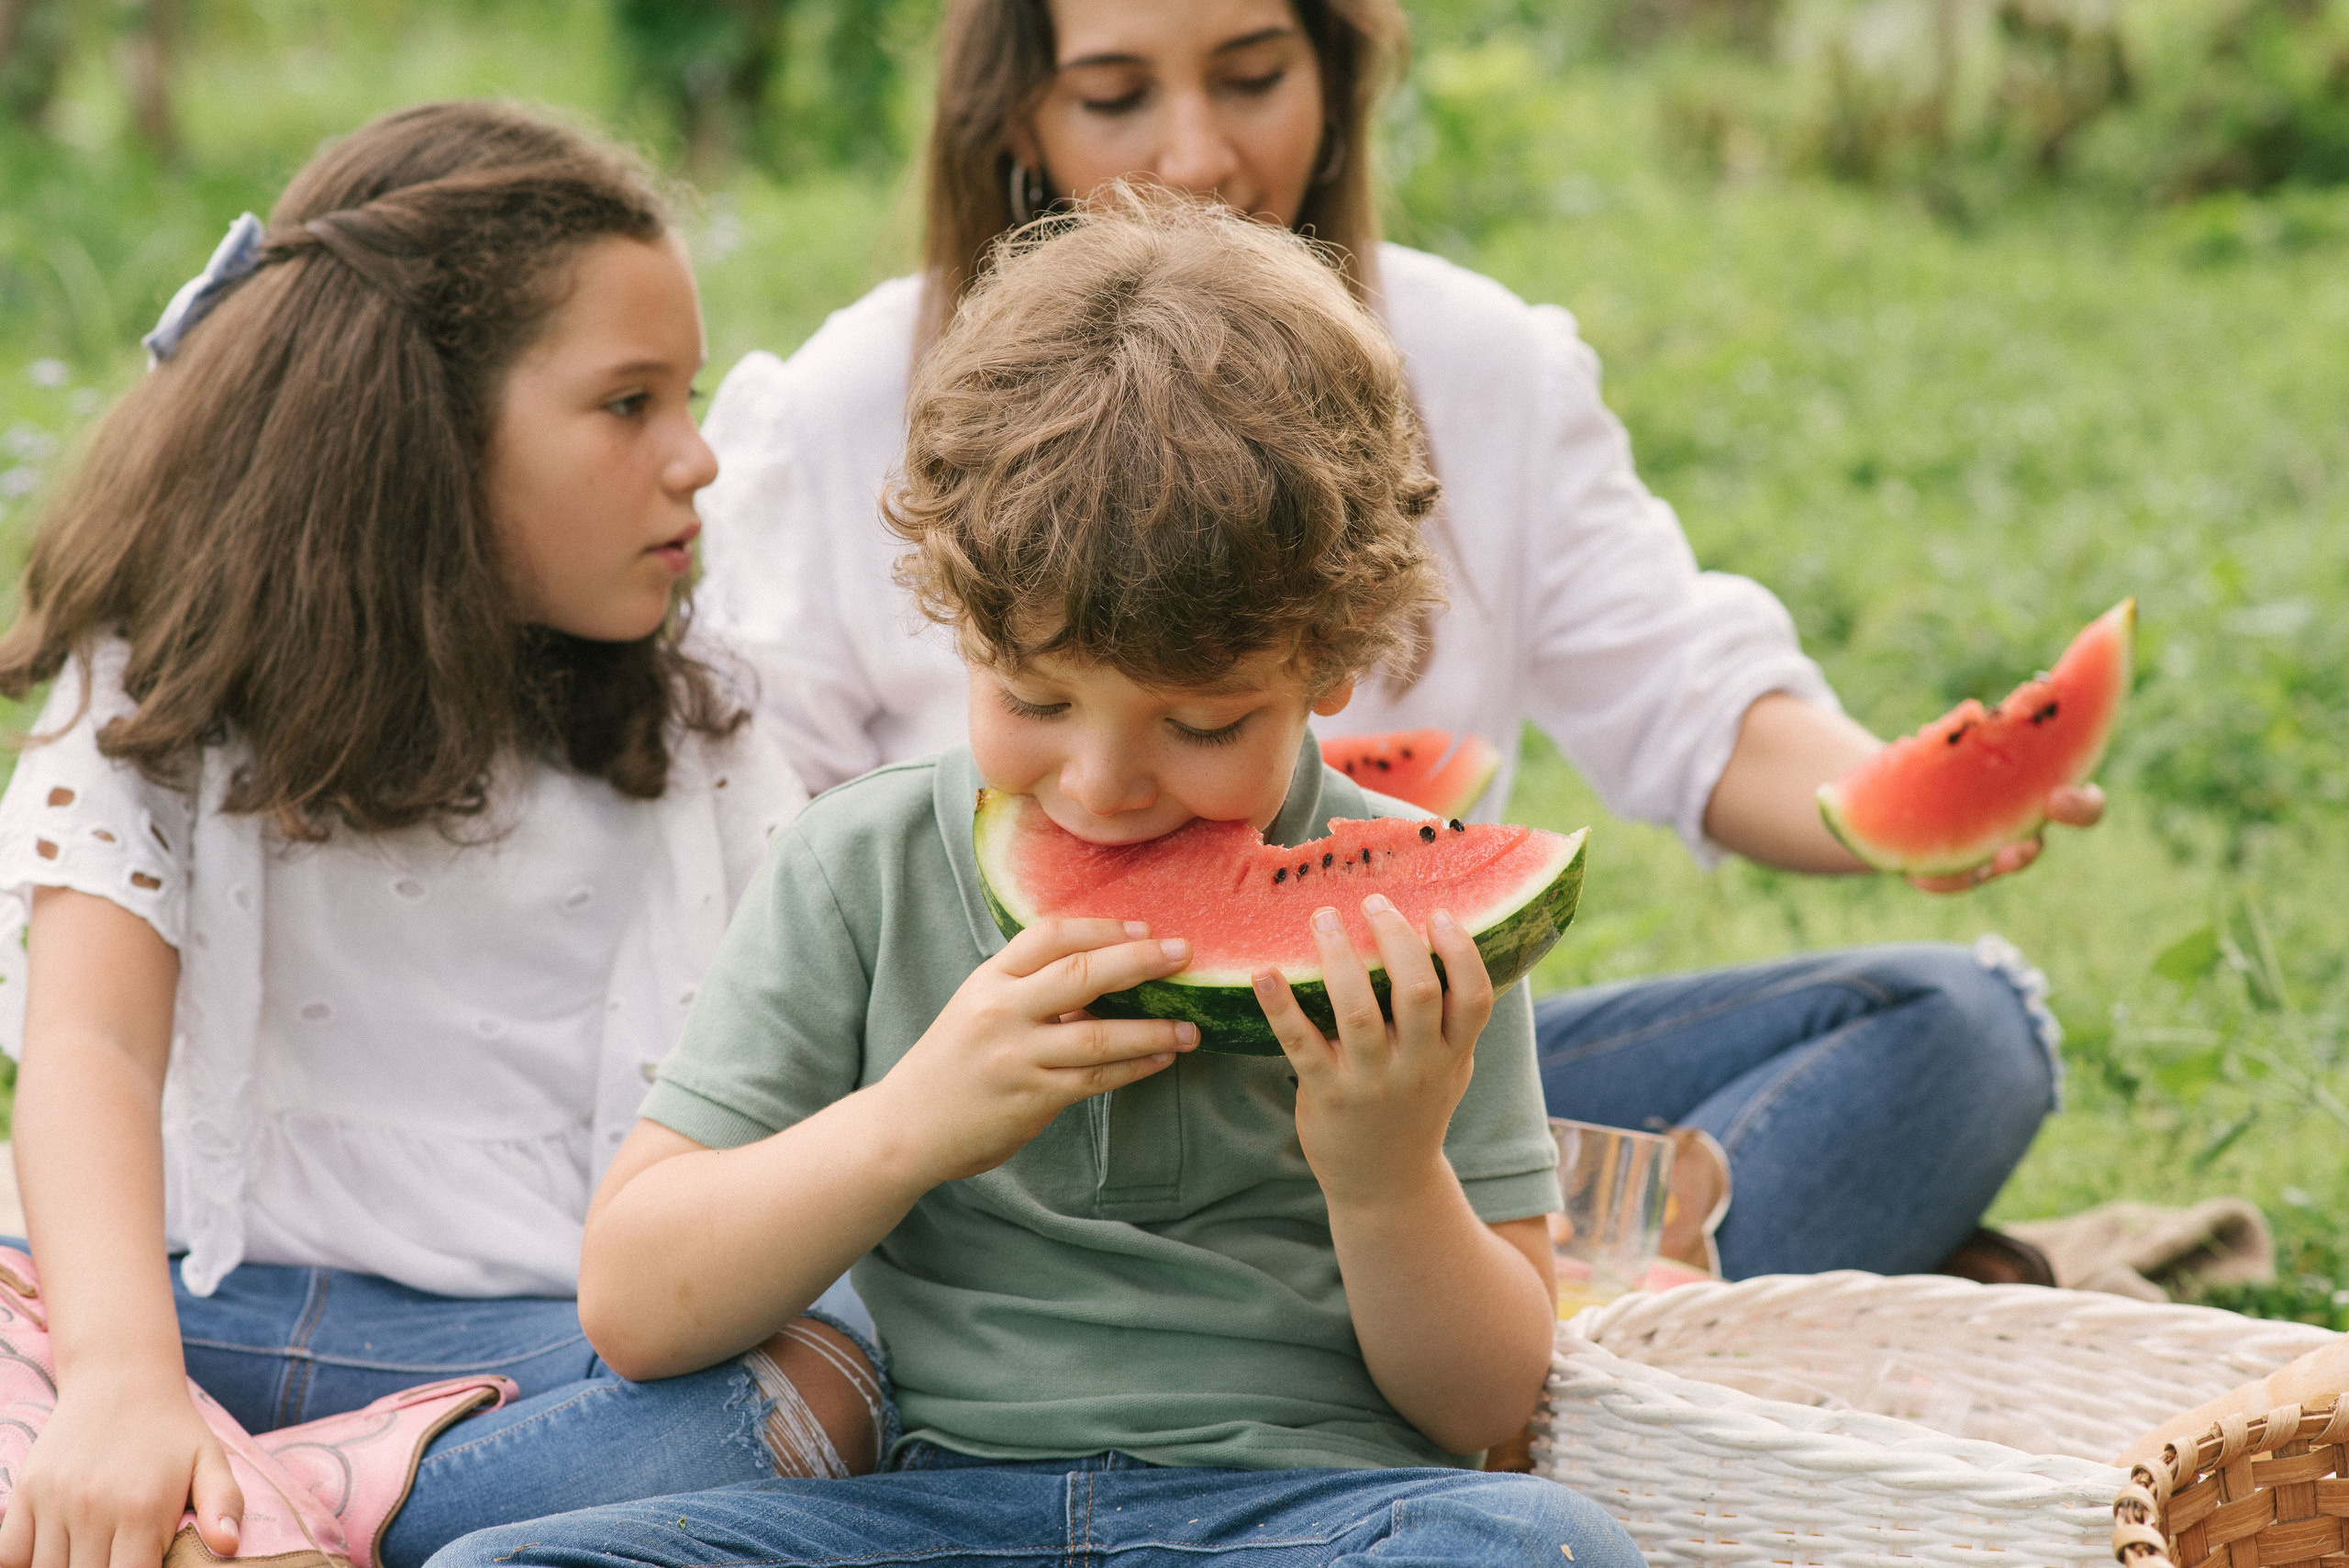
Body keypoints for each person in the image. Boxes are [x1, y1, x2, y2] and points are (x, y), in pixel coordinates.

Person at [689, 0, 2101, 1281]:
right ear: (1015, 121)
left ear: (1338, 74)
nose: (1193, 152)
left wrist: (1906, 799)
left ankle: (1592, 1293)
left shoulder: (1479, 364)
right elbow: (754, 864)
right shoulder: (845, 403)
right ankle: (1643, 1293)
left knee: (1965, 1028)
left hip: (1398, 1080)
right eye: (1116, 97)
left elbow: (1691, 689)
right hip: (1006, 1153)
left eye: (1252, 76)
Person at [430, 194, 1639, 1568]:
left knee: (1543, 1542)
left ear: (1329, 662)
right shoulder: (858, 868)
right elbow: (637, 1298)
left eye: (1200, 724)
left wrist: (1385, 1173)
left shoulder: (1405, 932)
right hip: (939, 1516)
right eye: (1032, 696)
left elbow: (1489, 1405)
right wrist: (916, 1121)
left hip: (1304, 1517)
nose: (1103, 785)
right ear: (957, 621)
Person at [0, 101, 889, 1568]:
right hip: (171, 1309)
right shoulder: (160, 683)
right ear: (418, 429)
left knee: (814, 1385)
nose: (699, 457)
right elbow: (92, 1047)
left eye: (692, 396)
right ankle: (196, 1492)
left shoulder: (702, 744)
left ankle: (257, 1521)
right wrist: (120, 1383)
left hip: (536, 1355)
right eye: (629, 404)